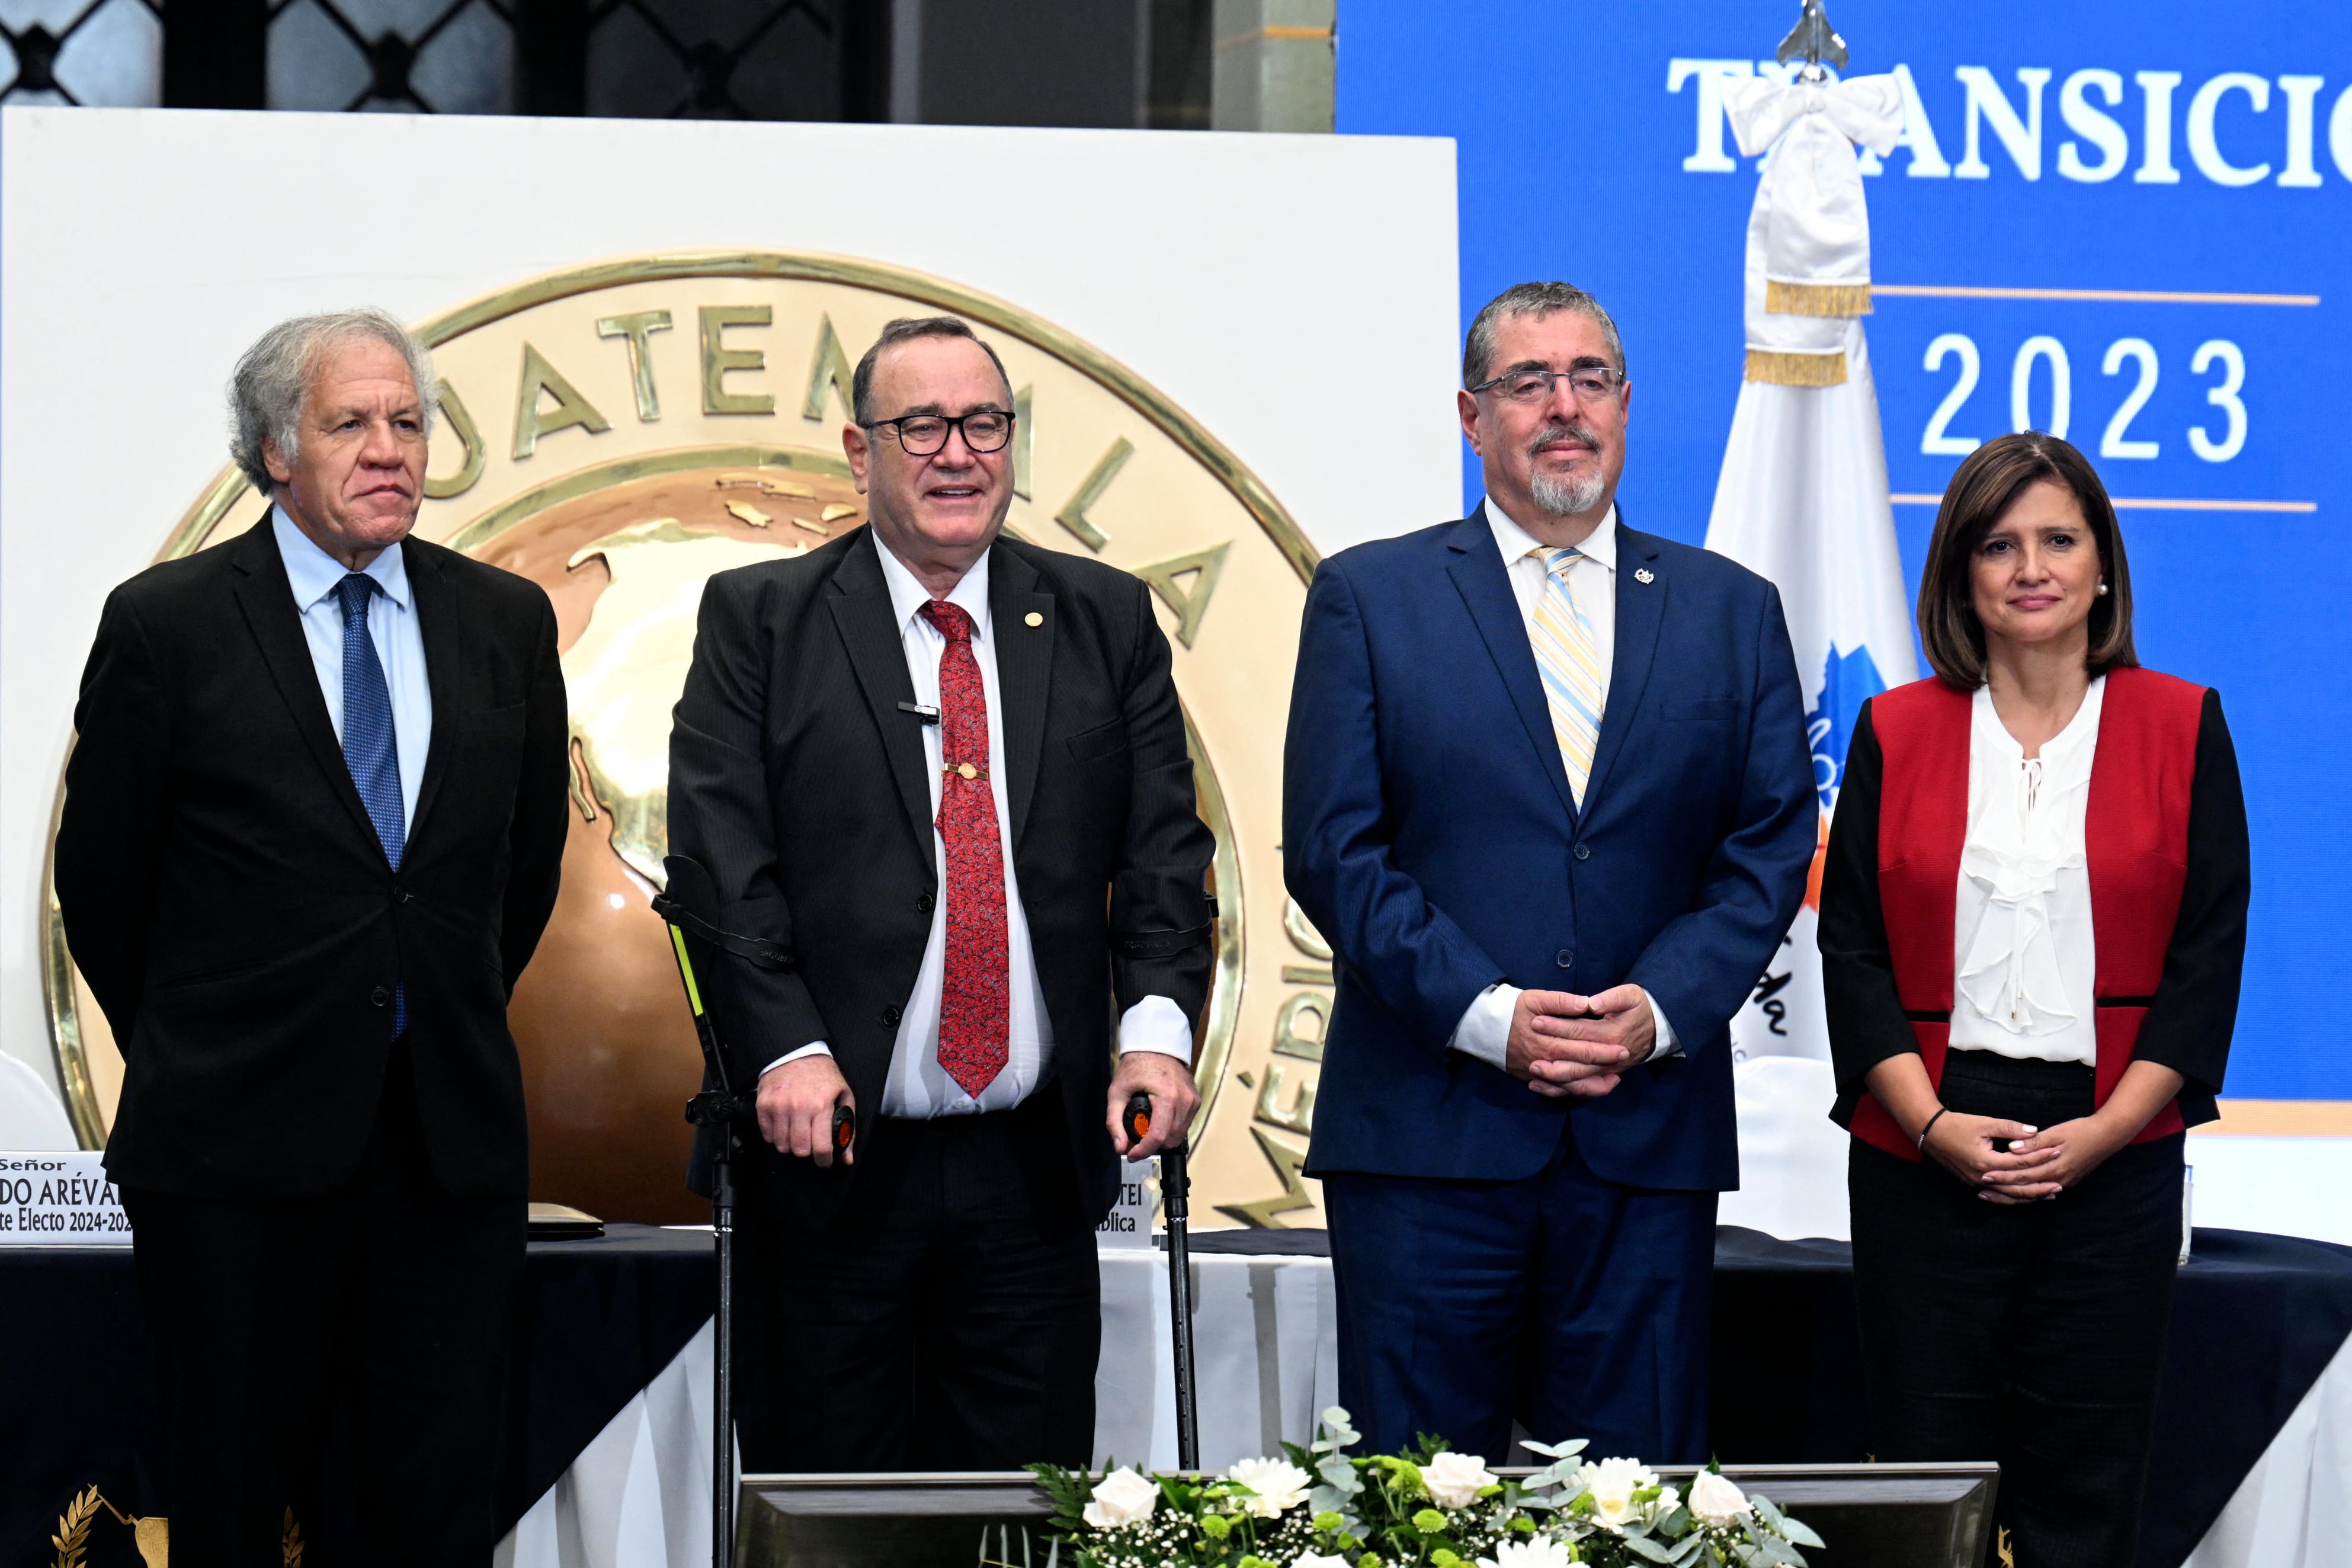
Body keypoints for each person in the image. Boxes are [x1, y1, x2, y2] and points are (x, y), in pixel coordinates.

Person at [56, 310, 570, 1563]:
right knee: (230, 1514)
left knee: (430, 1515)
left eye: (407, 422)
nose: (390, 449)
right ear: (275, 449)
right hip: (231, 1159)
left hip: (441, 1155)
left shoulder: (503, 620)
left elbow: (522, 869)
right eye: (352, 424)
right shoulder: (167, 622)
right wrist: (210, 1042)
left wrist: (411, 1006)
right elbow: (104, 882)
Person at [667, 315, 1216, 1470]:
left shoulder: (1102, 620)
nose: (957, 452)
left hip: (1031, 1169)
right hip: (832, 1174)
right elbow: (720, 866)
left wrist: (1156, 1035)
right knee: (823, 1518)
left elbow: (1163, 853)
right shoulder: (759, 621)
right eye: (920, 425)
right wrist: (782, 1050)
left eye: (983, 424)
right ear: (860, 454)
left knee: (1020, 1522)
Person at [1283, 281, 1817, 1463]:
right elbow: (1332, 849)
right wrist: (1488, 1016)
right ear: (1471, 417)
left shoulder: (1730, 611)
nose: (1560, 407)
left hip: (1644, 1135)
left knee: (1637, 1517)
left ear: (1625, 406)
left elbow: (1769, 840)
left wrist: (1660, 1009)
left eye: (1586, 379)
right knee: (1414, 1511)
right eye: (1527, 383)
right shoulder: (1369, 599)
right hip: (1427, 1137)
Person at [1819, 431, 2246, 1566]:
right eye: (1998, 545)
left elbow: (2206, 963)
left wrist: (2104, 1135)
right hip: (1927, 1142)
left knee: (2087, 1484)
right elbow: (1850, 952)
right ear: (1960, 573)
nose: (2031, 567)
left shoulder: (2181, 722)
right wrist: (1929, 1126)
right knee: (1922, 1477)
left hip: (2114, 1144)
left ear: (2102, 564)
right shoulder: (1893, 729)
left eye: (2059, 539)